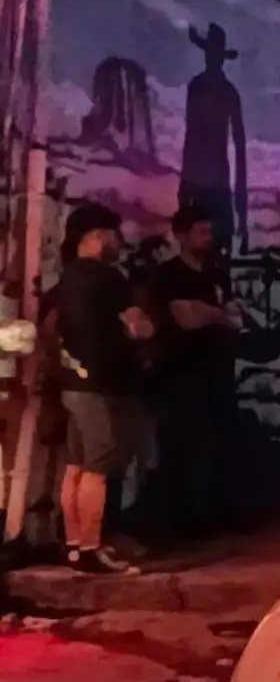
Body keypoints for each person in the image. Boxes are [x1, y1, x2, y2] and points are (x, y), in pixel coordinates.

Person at [54, 204, 154, 574]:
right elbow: (140, 326)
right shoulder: (108, 278)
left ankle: (75, 545)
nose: (118, 240)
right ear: (96, 236)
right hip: (102, 385)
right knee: (100, 463)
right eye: (113, 233)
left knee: (77, 465)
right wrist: (143, 329)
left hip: (72, 383)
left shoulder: (66, 279)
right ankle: (94, 547)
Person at [155, 204, 240, 539]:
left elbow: (234, 318)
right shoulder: (169, 275)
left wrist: (209, 312)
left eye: (210, 231)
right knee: (185, 445)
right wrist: (212, 314)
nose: (208, 238)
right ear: (181, 235)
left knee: (222, 441)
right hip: (182, 371)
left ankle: (217, 514)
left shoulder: (216, 273)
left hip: (217, 368)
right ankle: (183, 521)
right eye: (201, 232)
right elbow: (185, 319)